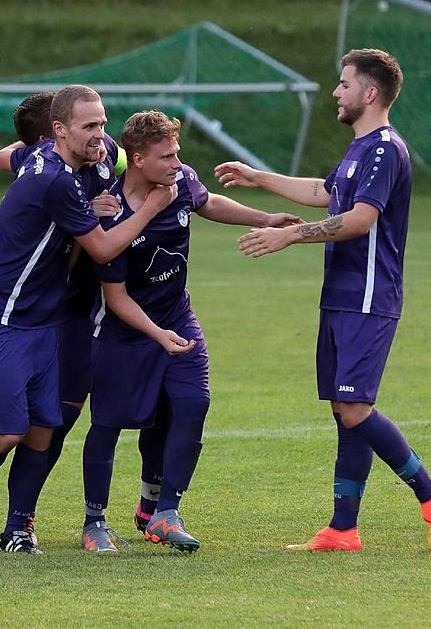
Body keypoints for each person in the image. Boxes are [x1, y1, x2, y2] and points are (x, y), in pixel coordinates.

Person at [215, 48, 431, 552]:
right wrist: (259, 178)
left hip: (369, 296)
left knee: (354, 406)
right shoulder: (359, 149)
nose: (336, 92)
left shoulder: (387, 148)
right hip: (341, 296)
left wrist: (290, 236)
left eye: (344, 84)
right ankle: (343, 529)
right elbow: (324, 192)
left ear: (369, 93)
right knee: (344, 409)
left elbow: (361, 219)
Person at [0, 85, 175, 554]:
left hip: (48, 318)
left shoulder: (91, 154)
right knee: (10, 431)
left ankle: (17, 528)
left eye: (102, 123)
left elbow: (7, 155)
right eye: (89, 127)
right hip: (3, 315)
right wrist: (152, 206)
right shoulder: (53, 178)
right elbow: (103, 248)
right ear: (58, 132)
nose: (101, 136)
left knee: (42, 428)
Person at [82, 110, 302, 553]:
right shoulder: (110, 211)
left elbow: (208, 202)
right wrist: (157, 334)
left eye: (177, 153)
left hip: (178, 316)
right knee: (108, 425)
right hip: (124, 332)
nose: (176, 162)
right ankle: (94, 522)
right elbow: (116, 296)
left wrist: (265, 217)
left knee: (192, 404)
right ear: (138, 160)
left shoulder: (180, 180)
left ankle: (164, 513)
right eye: (166, 156)